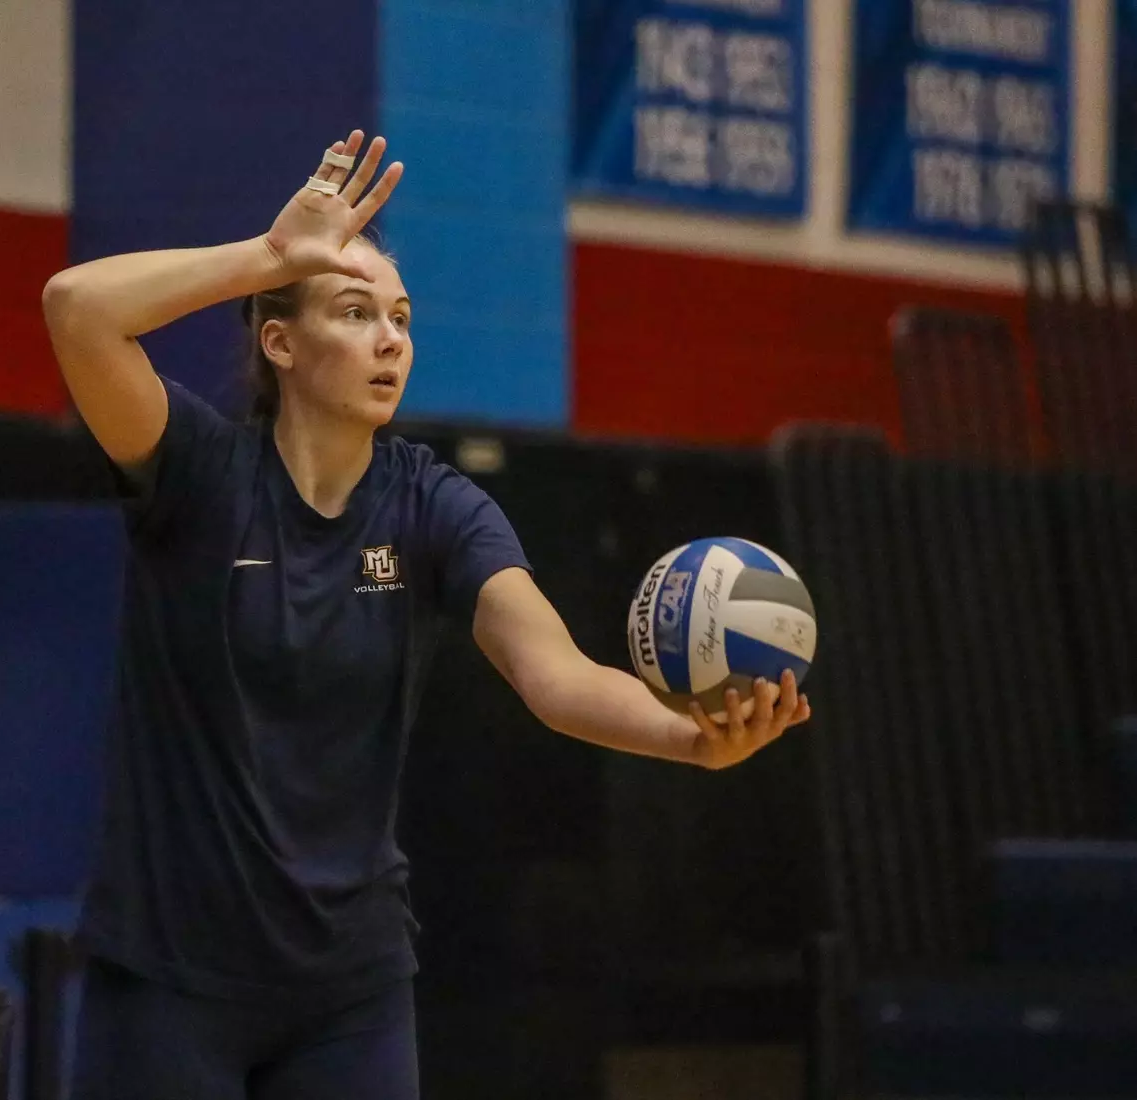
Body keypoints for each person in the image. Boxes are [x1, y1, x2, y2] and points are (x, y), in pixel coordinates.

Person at [40, 129, 812, 1100]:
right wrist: (272, 258)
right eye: (355, 310)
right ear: (278, 340)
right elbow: (76, 309)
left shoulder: (433, 505)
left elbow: (555, 674)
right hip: (168, 972)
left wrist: (688, 740)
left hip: (346, 987)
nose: (390, 337)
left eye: (400, 316)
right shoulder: (199, 472)